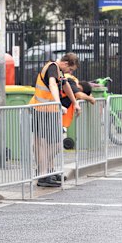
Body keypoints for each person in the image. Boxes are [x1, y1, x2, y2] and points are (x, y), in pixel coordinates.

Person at [29, 52, 81, 188]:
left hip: (49, 110)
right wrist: (59, 104)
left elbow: (66, 86)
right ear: (65, 63)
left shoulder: (59, 72)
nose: (70, 72)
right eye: (70, 69)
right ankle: (43, 174)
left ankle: (47, 170)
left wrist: (74, 102)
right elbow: (52, 84)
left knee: (55, 143)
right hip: (41, 110)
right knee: (42, 144)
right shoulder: (53, 67)